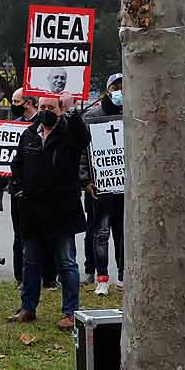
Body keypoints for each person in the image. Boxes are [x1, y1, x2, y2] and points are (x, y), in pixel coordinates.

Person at [8, 91, 88, 328]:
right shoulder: (30, 134)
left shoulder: (69, 134)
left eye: (51, 108)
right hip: (33, 209)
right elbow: (17, 165)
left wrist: (71, 111)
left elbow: (83, 139)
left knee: (66, 262)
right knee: (30, 261)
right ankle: (28, 307)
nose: (46, 112)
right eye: (42, 107)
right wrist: (18, 187)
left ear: (61, 110)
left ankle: (71, 312)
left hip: (62, 208)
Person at [82, 73, 126, 295]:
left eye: (123, 87)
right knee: (100, 233)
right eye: (115, 87)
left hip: (125, 189)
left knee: (123, 233)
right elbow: (82, 151)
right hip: (99, 187)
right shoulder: (91, 116)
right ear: (108, 89)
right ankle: (102, 278)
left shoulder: (133, 114)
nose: (120, 91)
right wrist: (86, 180)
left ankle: (123, 276)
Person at [6, 89, 41, 283]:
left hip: (38, 188)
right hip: (17, 188)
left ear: (28, 103)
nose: (13, 104)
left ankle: (45, 275)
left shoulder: (41, 125)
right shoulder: (13, 126)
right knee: (19, 233)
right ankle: (20, 275)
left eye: (15, 101)